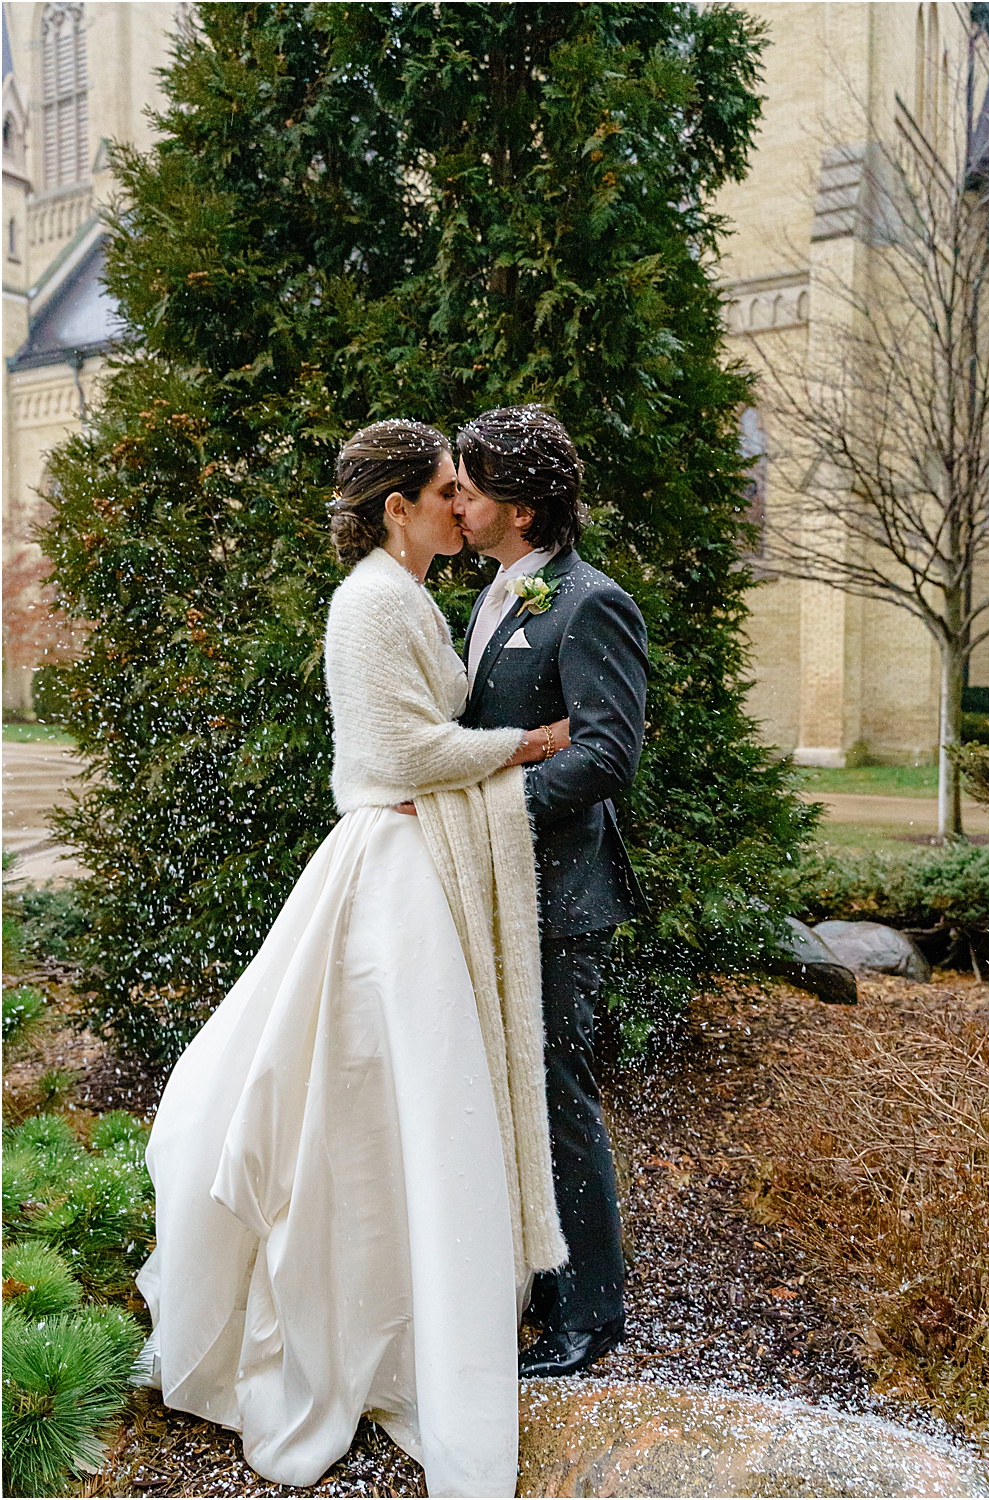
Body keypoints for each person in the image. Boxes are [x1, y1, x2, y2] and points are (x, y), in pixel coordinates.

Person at [136, 419, 574, 1496]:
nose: (458, 507)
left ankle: (416, 1315)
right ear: (397, 507)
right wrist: (521, 746)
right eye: (442, 492)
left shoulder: (414, 596)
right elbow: (398, 754)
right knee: (379, 1098)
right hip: (390, 867)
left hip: (417, 860)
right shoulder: (373, 602)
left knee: (408, 1106)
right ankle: (375, 1327)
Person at [452, 404, 648, 1379]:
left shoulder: (588, 602)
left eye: (473, 490)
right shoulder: (494, 596)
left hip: (562, 900)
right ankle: (533, 1287)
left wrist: (488, 809)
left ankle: (592, 1318)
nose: (459, 502)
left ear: (522, 511)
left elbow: (609, 753)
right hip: (499, 894)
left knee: (556, 1100)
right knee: (505, 1099)